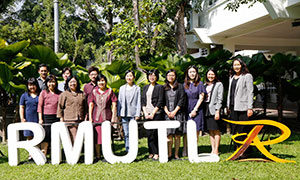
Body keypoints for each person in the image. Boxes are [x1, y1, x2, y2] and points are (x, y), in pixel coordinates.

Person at [89, 74, 117, 160]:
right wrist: (90, 118)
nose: (101, 82)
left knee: (106, 136)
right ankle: (98, 155)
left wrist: (113, 117)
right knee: (97, 137)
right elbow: (91, 104)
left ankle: (106, 155)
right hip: (96, 117)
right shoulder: (94, 92)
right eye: (99, 81)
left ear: (105, 82)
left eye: (102, 80)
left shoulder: (110, 91)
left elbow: (114, 104)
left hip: (107, 117)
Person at [227, 58, 253, 147]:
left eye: (238, 65)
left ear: (242, 65)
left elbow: (250, 92)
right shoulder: (231, 77)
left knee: (243, 129)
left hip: (243, 107)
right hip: (232, 106)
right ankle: (236, 147)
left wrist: (250, 108)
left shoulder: (247, 76)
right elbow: (230, 92)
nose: (236, 67)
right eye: (235, 65)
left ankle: (245, 150)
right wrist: (228, 105)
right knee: (234, 128)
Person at [142, 69, 164, 160]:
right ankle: (150, 151)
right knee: (149, 134)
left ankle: (156, 153)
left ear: (157, 77)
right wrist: (145, 112)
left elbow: (160, 101)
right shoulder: (145, 87)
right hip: (147, 113)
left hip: (156, 113)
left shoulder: (159, 87)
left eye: (154, 75)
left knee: (155, 134)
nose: (152, 77)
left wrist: (153, 113)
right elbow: (142, 101)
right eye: (150, 75)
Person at [57, 76, 87, 144]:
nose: (72, 83)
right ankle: (73, 153)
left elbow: (85, 107)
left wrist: (86, 117)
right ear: (67, 83)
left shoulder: (81, 94)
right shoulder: (64, 94)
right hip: (69, 119)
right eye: (70, 82)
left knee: (79, 138)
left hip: (80, 119)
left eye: (74, 81)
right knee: (73, 137)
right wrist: (61, 119)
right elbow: (60, 107)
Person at [184, 65, 206, 156]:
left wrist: (195, 110)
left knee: (196, 130)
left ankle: (193, 150)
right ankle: (185, 150)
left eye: (193, 72)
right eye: (190, 72)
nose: (192, 74)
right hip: (186, 108)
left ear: (196, 73)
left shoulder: (200, 84)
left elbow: (201, 98)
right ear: (187, 73)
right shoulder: (184, 84)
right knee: (186, 131)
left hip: (197, 109)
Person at [163, 69, 186, 160]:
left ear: (175, 76)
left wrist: (175, 111)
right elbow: (162, 101)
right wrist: (168, 112)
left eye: (172, 75)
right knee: (169, 134)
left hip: (178, 113)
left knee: (177, 134)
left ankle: (176, 154)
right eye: (169, 75)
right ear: (166, 77)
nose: (171, 77)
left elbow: (182, 100)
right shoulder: (163, 87)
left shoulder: (180, 87)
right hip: (167, 113)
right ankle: (169, 153)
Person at [117, 70, 141, 152]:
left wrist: (138, 114)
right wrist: (118, 113)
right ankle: (128, 150)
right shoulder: (122, 88)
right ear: (125, 77)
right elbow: (119, 101)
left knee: (133, 133)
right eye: (127, 76)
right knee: (126, 133)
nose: (129, 77)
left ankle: (134, 150)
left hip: (133, 114)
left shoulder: (137, 88)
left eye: (131, 76)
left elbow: (138, 102)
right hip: (124, 114)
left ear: (134, 77)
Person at [38, 75, 61, 156]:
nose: (51, 84)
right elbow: (40, 106)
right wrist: (40, 119)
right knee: (46, 136)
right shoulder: (43, 93)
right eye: (49, 82)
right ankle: (43, 154)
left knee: (55, 136)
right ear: (47, 83)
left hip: (57, 117)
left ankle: (55, 155)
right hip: (47, 117)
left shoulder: (60, 93)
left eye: (53, 82)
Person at [19, 77, 40, 159]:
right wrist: (22, 118)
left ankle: (37, 153)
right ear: (27, 86)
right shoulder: (24, 96)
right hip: (28, 118)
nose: (32, 87)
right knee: (29, 136)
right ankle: (31, 154)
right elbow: (21, 107)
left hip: (38, 118)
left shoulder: (40, 94)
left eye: (33, 85)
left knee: (38, 136)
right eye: (30, 85)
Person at [204, 68, 223, 155]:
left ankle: (216, 149)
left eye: (212, 74)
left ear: (215, 75)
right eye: (209, 74)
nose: (210, 76)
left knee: (216, 130)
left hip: (214, 109)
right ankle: (212, 149)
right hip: (206, 108)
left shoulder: (219, 84)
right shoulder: (205, 85)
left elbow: (220, 98)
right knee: (210, 130)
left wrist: (217, 111)